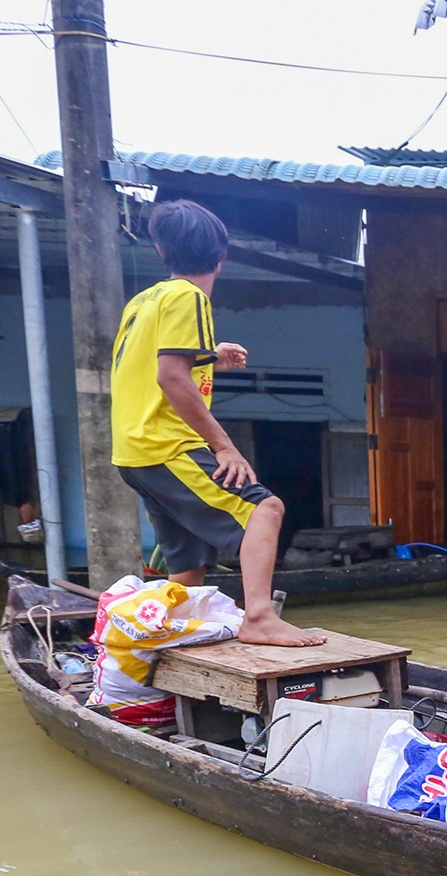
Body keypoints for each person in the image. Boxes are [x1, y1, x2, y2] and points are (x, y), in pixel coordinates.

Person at [110, 198, 321, 647]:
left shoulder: (145, 300)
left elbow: (147, 365)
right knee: (265, 508)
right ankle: (259, 618)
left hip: (133, 451)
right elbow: (170, 376)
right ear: (221, 256)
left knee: (188, 557)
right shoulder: (189, 297)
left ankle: (172, 633)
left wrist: (208, 356)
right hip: (166, 445)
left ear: (161, 250)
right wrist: (224, 446)